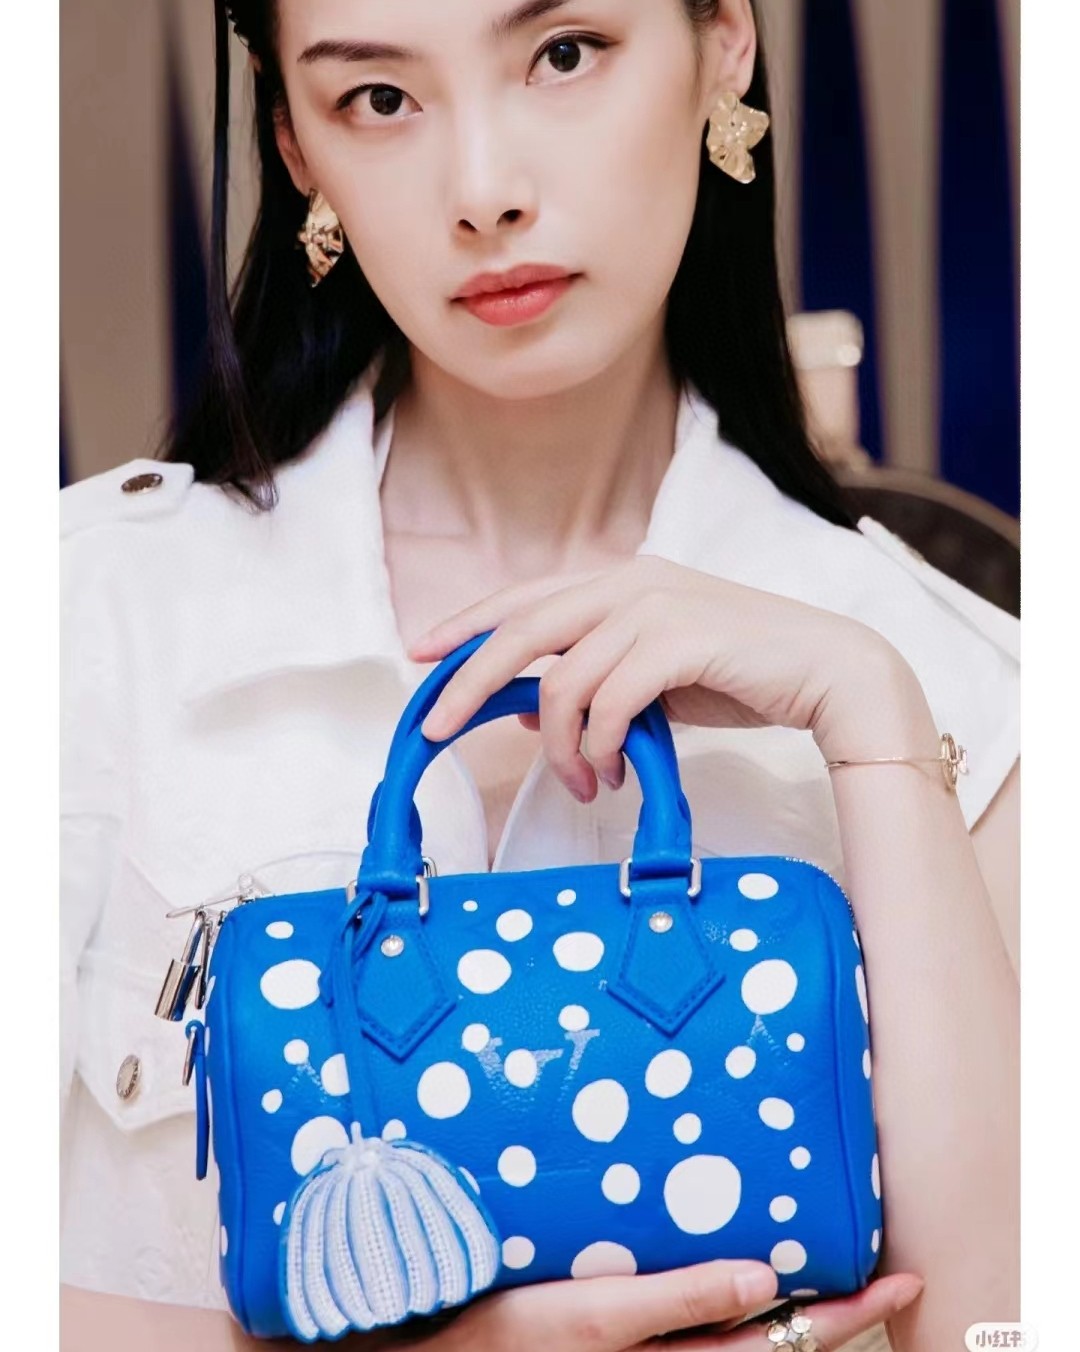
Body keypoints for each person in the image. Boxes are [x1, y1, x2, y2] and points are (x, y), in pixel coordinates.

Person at [59, 0, 1019, 1348]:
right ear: (298, 151)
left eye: (562, 54)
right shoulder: (85, 613)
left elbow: (997, 1324)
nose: (484, 191)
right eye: (379, 99)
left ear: (723, 45)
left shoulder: (959, 684)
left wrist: (871, 724)